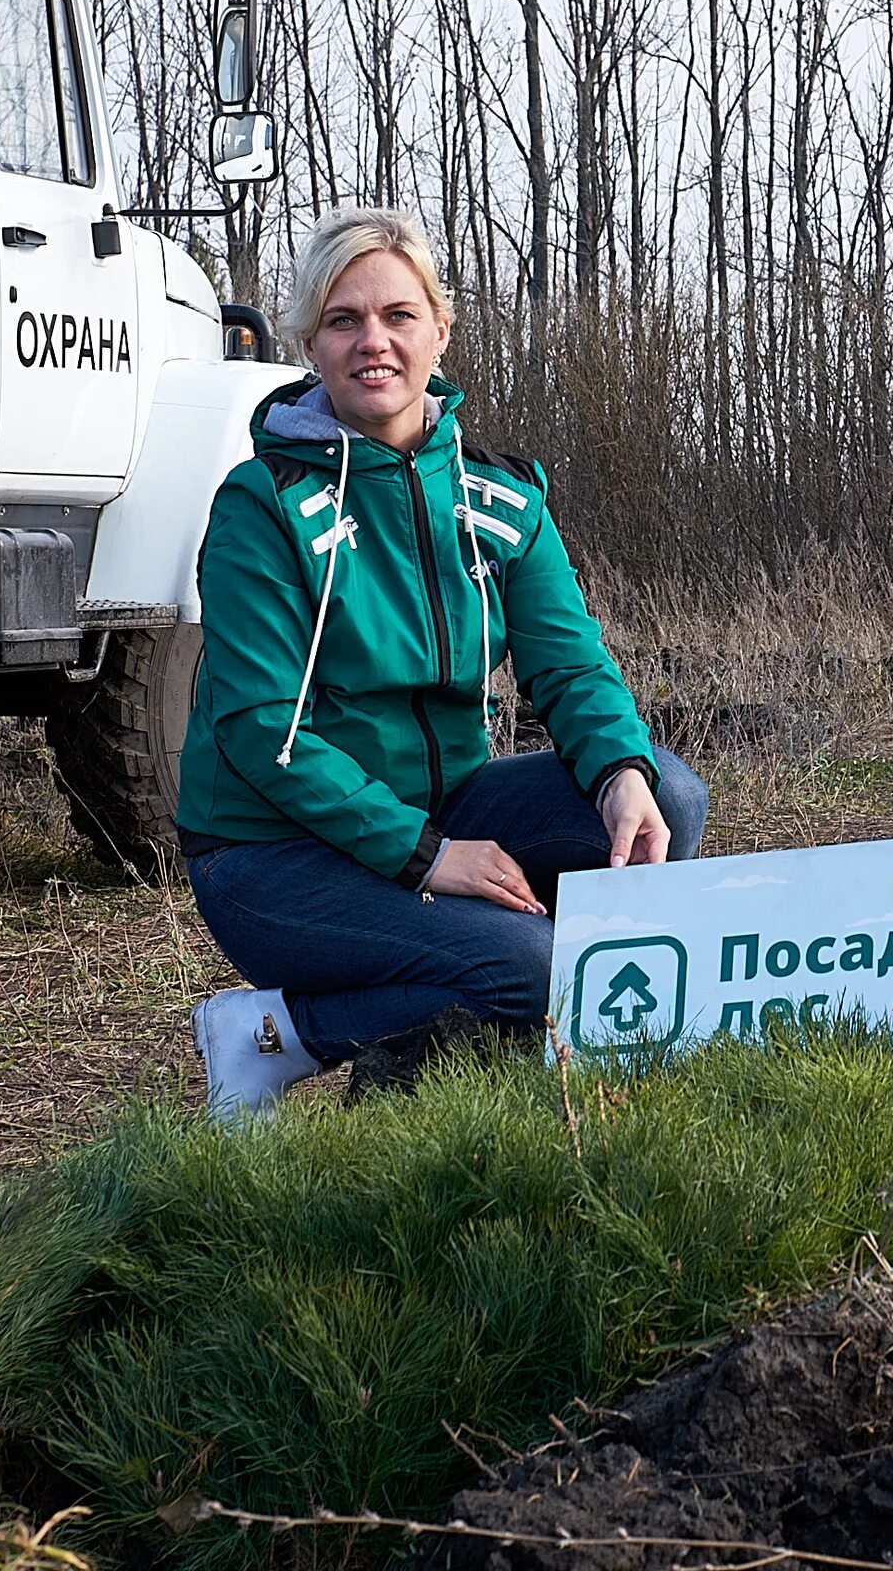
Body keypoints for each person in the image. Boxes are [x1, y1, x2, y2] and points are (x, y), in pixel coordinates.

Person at [173, 207, 709, 1119]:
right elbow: (268, 731)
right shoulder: (260, 506)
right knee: (532, 962)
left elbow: (571, 670)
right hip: (269, 854)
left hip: (439, 807)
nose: (372, 342)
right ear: (309, 342)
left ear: (441, 331)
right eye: (344, 320)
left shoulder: (501, 494)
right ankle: (270, 1037)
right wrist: (429, 857)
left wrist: (619, 773)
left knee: (669, 794)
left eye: (398, 317)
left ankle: (465, 1063)